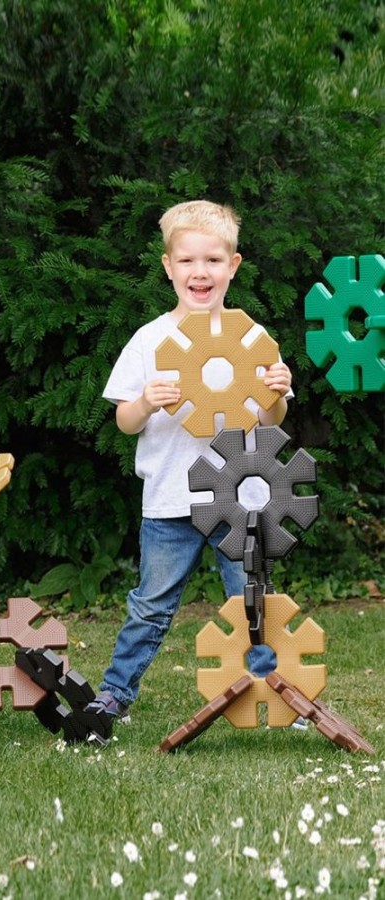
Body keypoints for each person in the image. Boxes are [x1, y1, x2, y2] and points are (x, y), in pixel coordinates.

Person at [90, 199, 293, 721]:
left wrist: (277, 389)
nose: (199, 272)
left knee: (252, 601)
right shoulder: (149, 340)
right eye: (187, 261)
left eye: (212, 260)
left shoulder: (251, 337)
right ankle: (114, 694)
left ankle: (271, 689)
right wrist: (145, 402)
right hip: (168, 499)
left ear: (233, 265)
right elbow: (125, 422)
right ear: (168, 266)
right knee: (151, 605)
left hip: (240, 499)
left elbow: (270, 421)